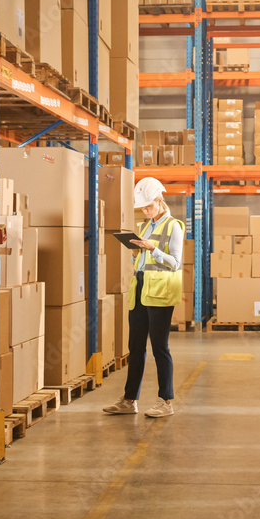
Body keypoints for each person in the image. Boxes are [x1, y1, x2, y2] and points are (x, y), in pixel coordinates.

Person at [103, 177, 184, 418]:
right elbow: (141, 262)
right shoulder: (145, 226)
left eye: (149, 206)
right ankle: (129, 400)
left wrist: (153, 250)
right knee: (135, 347)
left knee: (160, 347)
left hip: (160, 295)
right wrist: (137, 252)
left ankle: (166, 401)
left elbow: (176, 263)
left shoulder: (173, 227)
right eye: (143, 208)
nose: (146, 211)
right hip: (140, 291)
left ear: (160, 201)